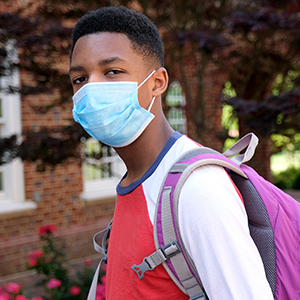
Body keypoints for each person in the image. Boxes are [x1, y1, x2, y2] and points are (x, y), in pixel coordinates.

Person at [69, 6, 274, 300]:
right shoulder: (138, 178)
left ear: (158, 83)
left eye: (112, 71)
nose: (91, 88)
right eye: (80, 79)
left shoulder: (197, 189)